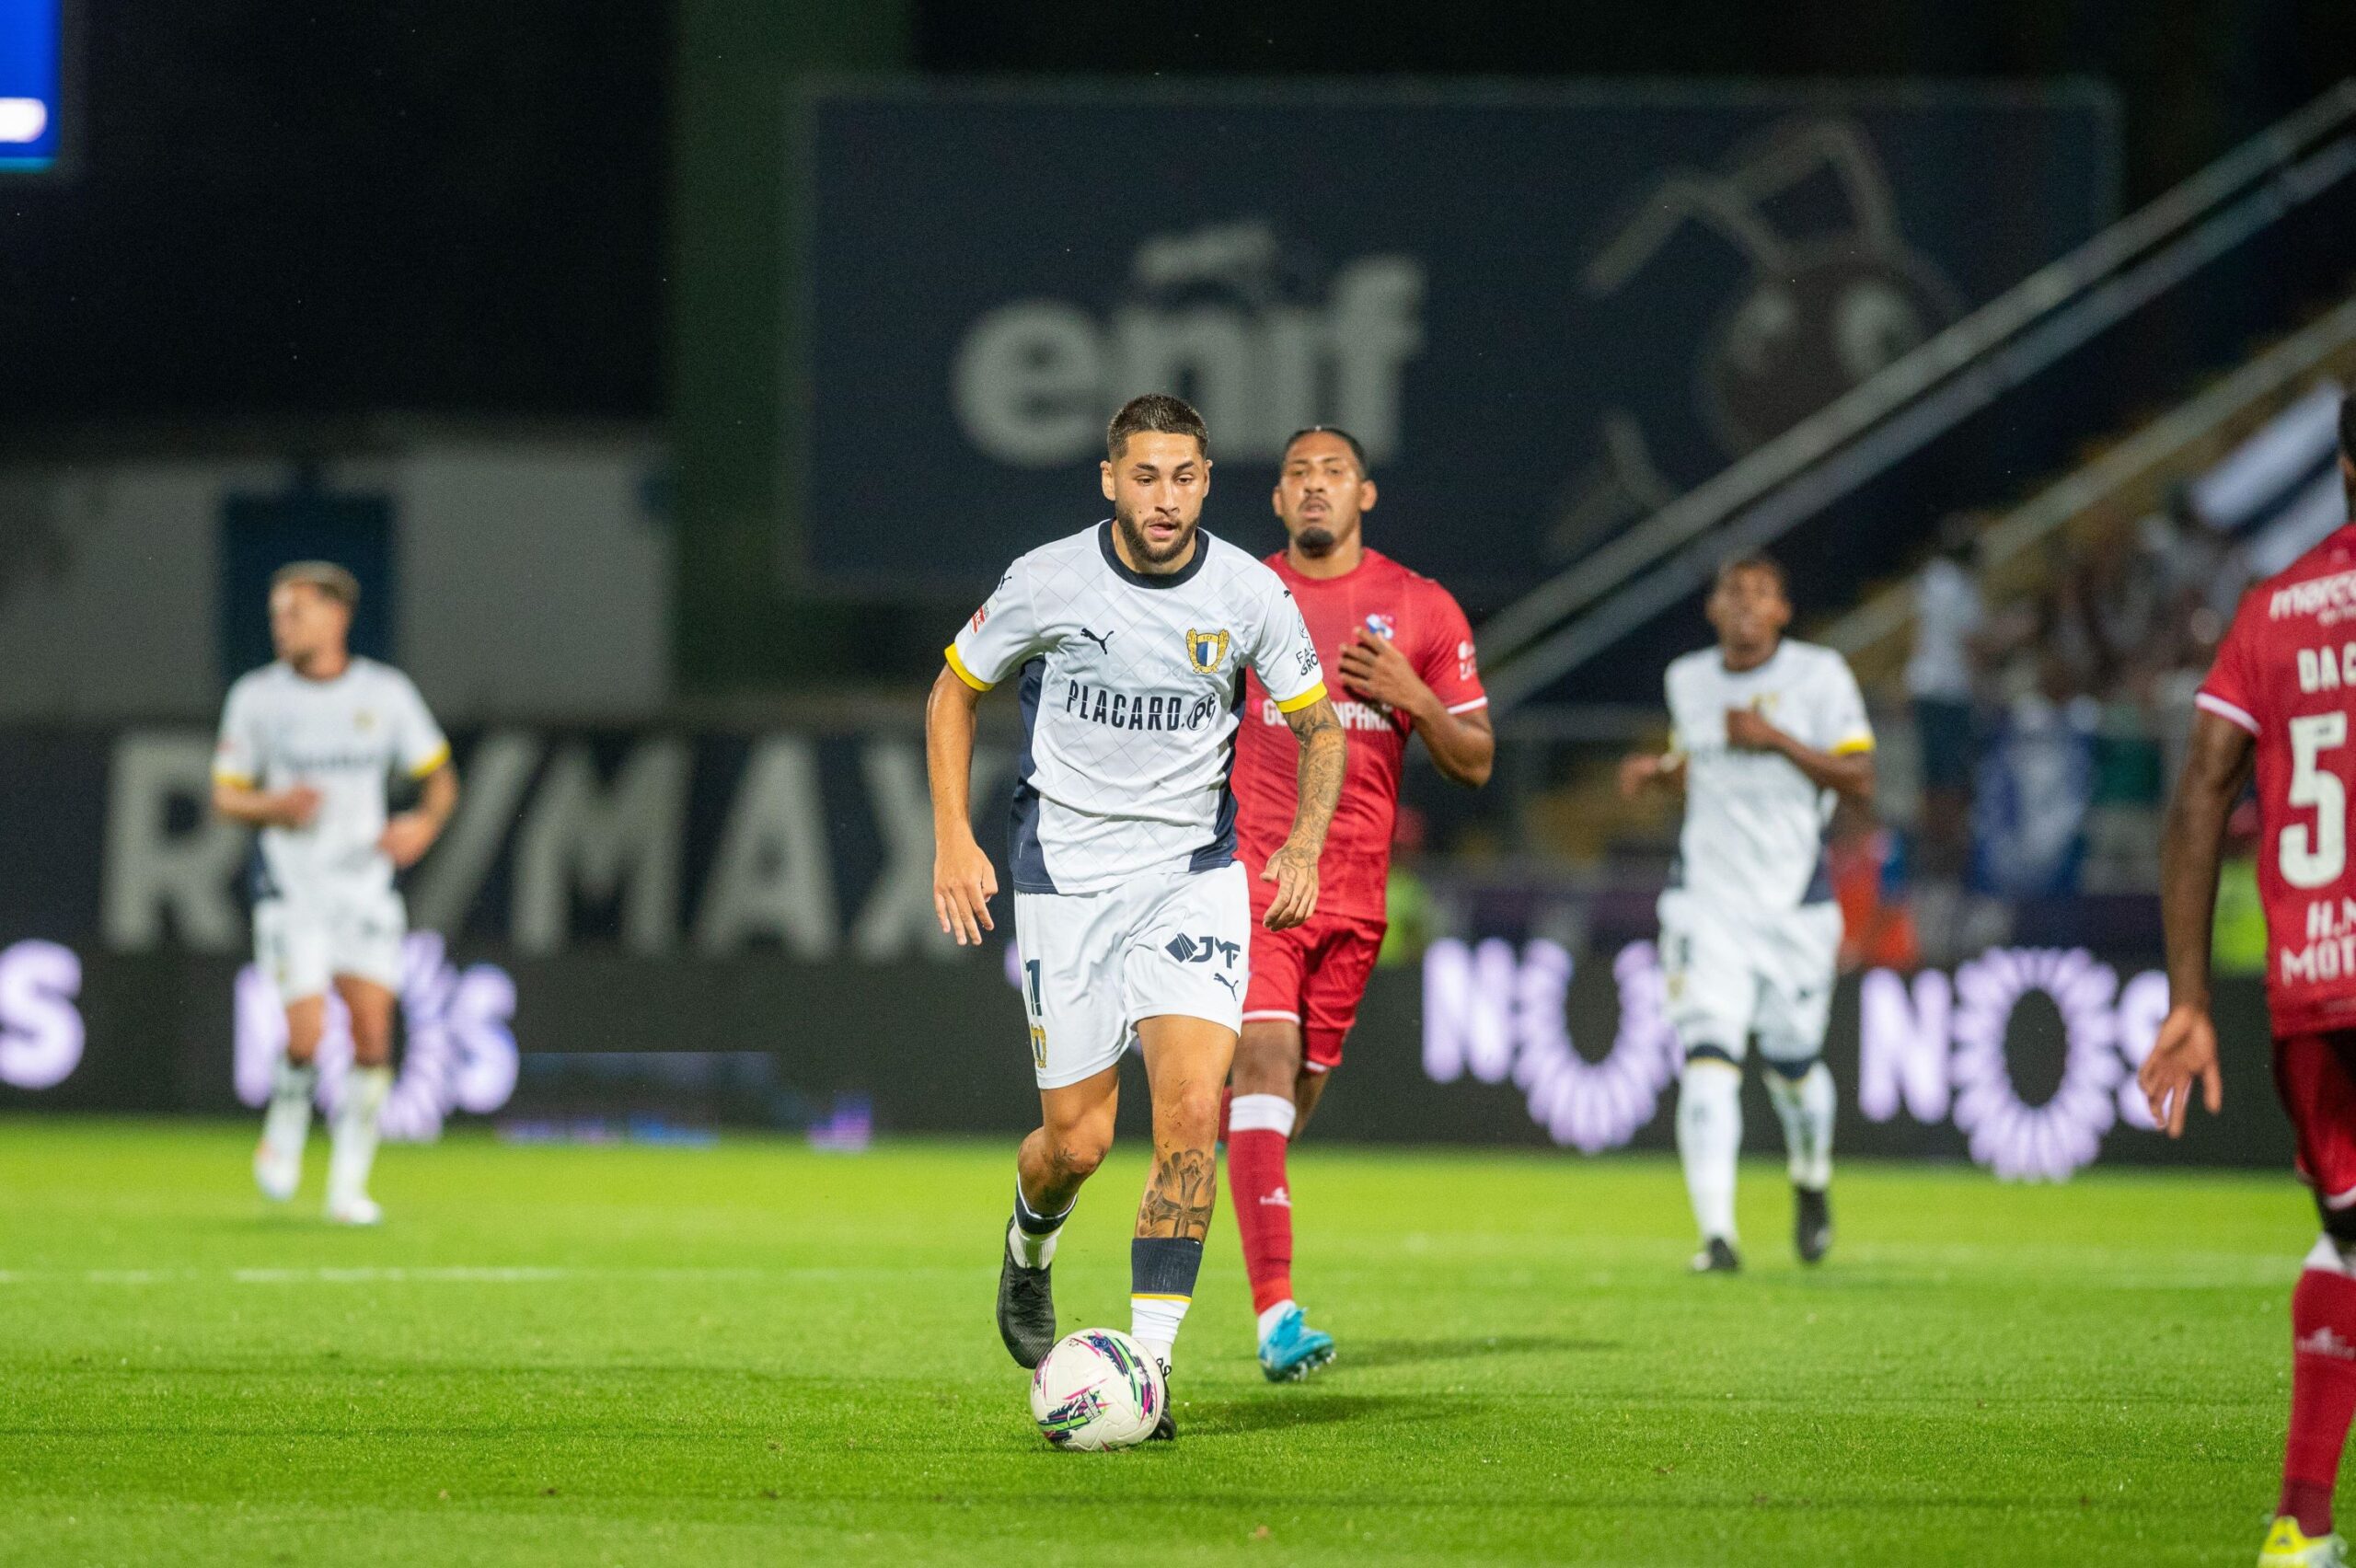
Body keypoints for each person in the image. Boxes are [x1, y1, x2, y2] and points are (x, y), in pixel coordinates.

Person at [927, 393, 1345, 1438]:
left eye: (1185, 477)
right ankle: (1029, 1251)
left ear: (1207, 483)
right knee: (1075, 1142)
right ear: (1109, 480)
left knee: (1190, 1111)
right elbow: (952, 690)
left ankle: (1147, 1374)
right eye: (1145, 476)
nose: (1165, 498)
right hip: (1064, 879)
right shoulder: (1048, 579)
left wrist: (1298, 843)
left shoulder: (1248, 592)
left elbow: (1319, 724)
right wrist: (951, 838)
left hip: (1189, 877)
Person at [1224, 425, 1493, 1380]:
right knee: (1261, 1058)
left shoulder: (1417, 606)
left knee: (1281, 1108)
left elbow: (1476, 760)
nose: (1312, 489)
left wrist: (1414, 696)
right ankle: (1275, 1316)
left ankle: (1210, 1195)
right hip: (1257, 882)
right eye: (1296, 474)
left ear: (1363, 496)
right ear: (1276, 499)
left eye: (1331, 474)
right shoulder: (1241, 594)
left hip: (1357, 904)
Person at [2141, 396, 2356, 1568]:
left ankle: (2300, 1525)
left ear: (2342, 466)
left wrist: (2185, 998)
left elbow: (2198, 796)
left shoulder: (2274, 610)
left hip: (2315, 981)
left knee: (2348, 1243)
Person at [1619, 555, 1875, 1273]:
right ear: (1712, 609)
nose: (1744, 605)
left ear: (1782, 612)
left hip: (1794, 905)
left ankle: (1811, 1178)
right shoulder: (1688, 680)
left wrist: (1778, 741)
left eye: (1760, 593)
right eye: (1732, 592)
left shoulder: (1819, 676)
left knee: (1793, 1067)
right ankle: (1718, 1237)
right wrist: (1658, 774)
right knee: (1708, 1059)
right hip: (1707, 902)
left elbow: (1860, 776)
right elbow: (1697, 762)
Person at [212, 562, 457, 1225]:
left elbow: (439, 779)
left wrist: (424, 825)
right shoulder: (258, 698)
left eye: (295, 612)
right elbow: (226, 794)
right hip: (293, 888)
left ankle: (348, 1185)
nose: (282, 625)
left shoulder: (385, 694)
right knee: (307, 1031)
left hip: (365, 890)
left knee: (375, 1038)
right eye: (276, 614)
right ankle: (288, 1114)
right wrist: (274, 804)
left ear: (336, 616)